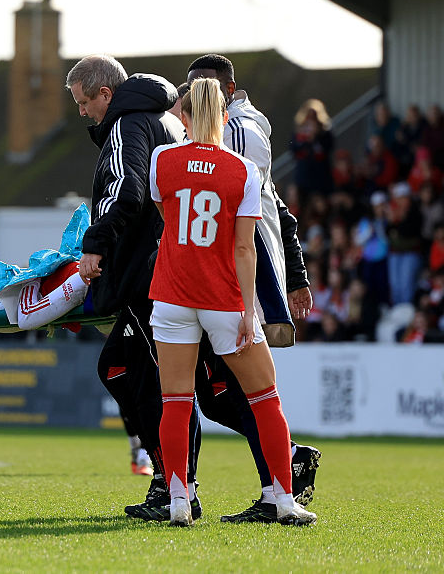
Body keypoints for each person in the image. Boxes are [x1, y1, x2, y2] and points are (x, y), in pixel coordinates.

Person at [149, 77, 316, 527]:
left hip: (171, 294)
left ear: (182, 117)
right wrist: (248, 310)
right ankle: (283, 499)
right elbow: (244, 248)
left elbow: (168, 219)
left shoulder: (162, 159)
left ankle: (180, 502)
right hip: (222, 297)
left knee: (176, 401)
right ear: (225, 116)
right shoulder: (242, 169)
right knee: (265, 398)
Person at [66, 54, 184, 513]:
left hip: (149, 275)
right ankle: (169, 481)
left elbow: (126, 190)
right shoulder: (165, 122)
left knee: (142, 377)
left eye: (83, 102)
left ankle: (176, 485)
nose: (82, 114)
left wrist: (95, 243)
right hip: (166, 270)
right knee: (127, 372)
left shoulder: (126, 126)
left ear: (106, 94)